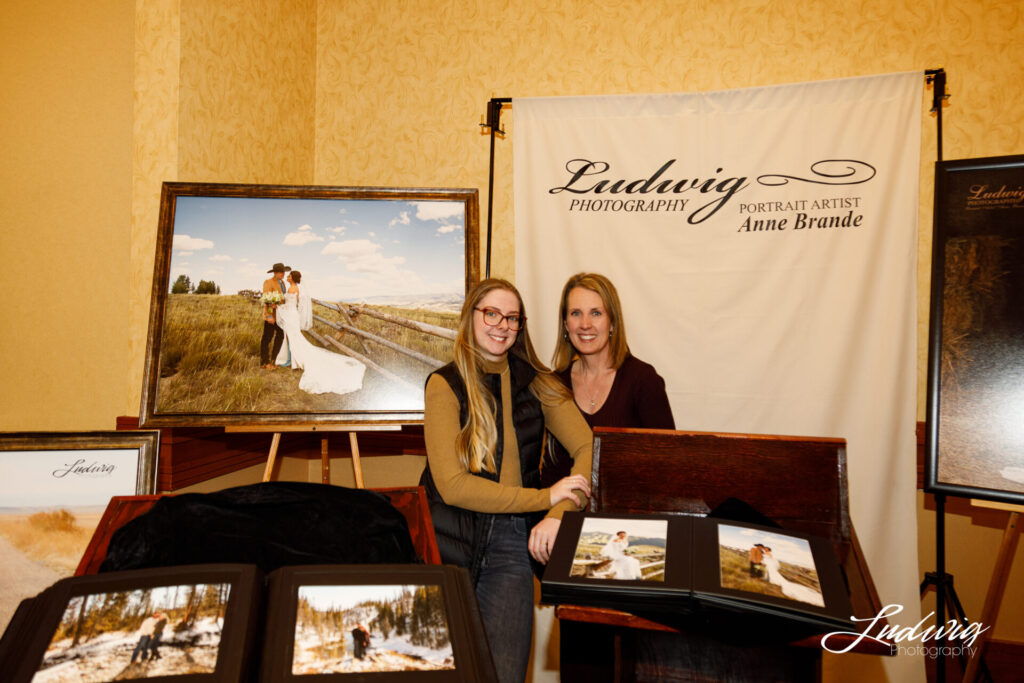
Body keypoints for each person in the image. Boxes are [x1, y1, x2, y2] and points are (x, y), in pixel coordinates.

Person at [420, 278, 593, 683]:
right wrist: (542, 497)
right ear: (472, 318)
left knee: (504, 675)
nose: (501, 325)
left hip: (512, 546)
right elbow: (453, 486)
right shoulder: (444, 385)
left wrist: (559, 511)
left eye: (512, 318)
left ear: (520, 326)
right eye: (491, 314)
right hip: (446, 542)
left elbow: (589, 449)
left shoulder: (537, 382)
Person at [543, 272, 674, 485]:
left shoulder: (643, 381)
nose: (585, 324)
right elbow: (551, 473)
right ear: (566, 325)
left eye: (596, 313)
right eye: (576, 313)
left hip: (627, 515)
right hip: (566, 513)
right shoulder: (555, 384)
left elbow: (668, 465)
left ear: (612, 322)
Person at [273, 270, 365, 395]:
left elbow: (289, 305)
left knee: (292, 337)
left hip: (290, 315)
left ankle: (293, 361)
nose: (287, 277)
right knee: (292, 337)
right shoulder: (294, 288)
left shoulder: (292, 289)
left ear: (293, 278)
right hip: (292, 315)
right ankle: (292, 360)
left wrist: (277, 306)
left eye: (289, 276)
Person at [260, 263, 290, 369]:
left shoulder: (282, 283)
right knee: (267, 338)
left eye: (284, 272)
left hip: (280, 316)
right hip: (271, 315)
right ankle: (264, 362)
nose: (283, 274)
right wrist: (268, 316)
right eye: (281, 272)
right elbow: (267, 299)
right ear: (276, 273)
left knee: (280, 336)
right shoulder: (268, 282)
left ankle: (274, 359)